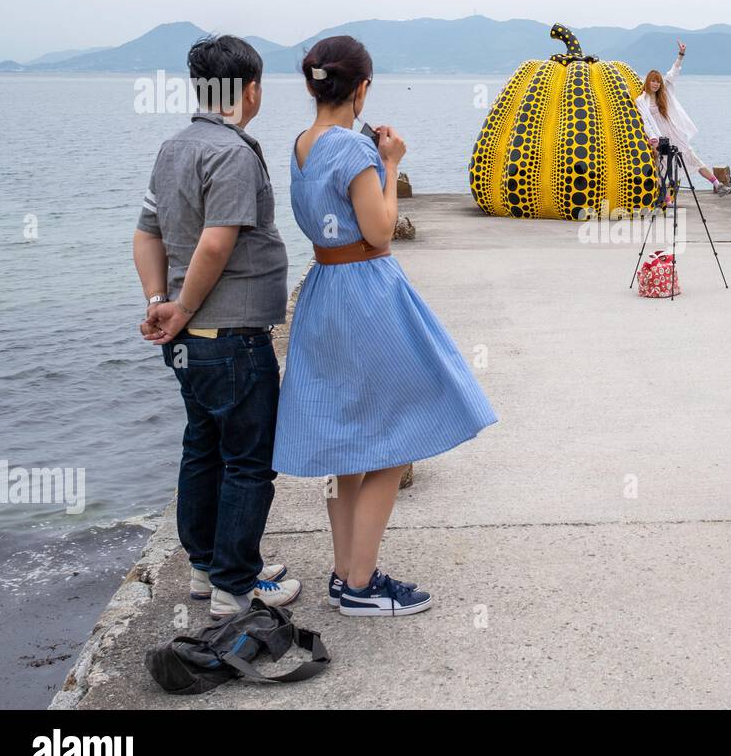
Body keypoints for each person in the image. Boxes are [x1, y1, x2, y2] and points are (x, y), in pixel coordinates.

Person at [272, 35, 497, 617]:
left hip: (325, 289)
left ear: (311, 84)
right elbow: (379, 230)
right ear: (362, 88)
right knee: (398, 438)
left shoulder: (300, 145)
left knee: (353, 439)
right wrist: (392, 163)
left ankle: (347, 572)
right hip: (367, 292)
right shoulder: (355, 151)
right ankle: (362, 584)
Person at [134, 35, 301, 618]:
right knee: (249, 461)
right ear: (251, 90)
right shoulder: (232, 152)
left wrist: (161, 299)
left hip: (189, 345)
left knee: (202, 449)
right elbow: (217, 241)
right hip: (230, 337)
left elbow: (147, 232)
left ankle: (208, 569)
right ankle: (237, 585)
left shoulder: (174, 146)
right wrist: (180, 307)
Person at [635, 39, 731, 196]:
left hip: (674, 131)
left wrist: (681, 55)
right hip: (660, 138)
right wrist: (653, 138)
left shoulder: (664, 92)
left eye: (658, 82)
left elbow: (673, 73)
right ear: (647, 81)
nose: (656, 84)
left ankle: (717, 184)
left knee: (692, 158)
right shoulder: (641, 100)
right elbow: (645, 121)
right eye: (653, 81)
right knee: (662, 168)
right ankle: (665, 201)